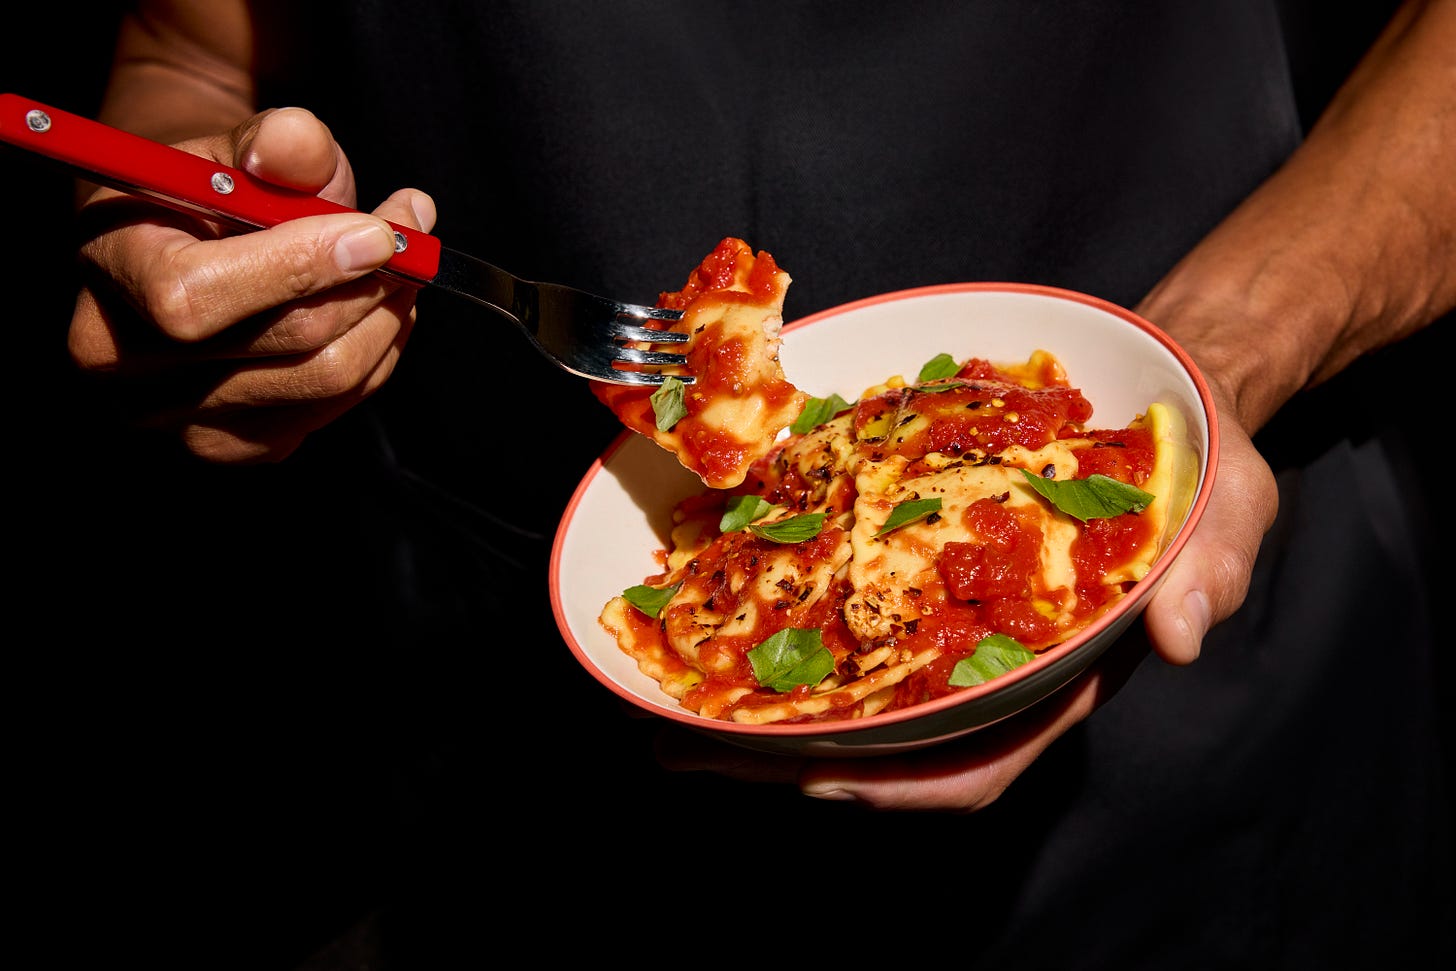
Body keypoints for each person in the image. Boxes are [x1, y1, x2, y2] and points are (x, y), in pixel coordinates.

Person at [17, 0, 1453, 967]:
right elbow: (190, 51)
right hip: (516, 742)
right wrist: (188, 238)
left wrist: (1211, 366)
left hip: (1203, 704)